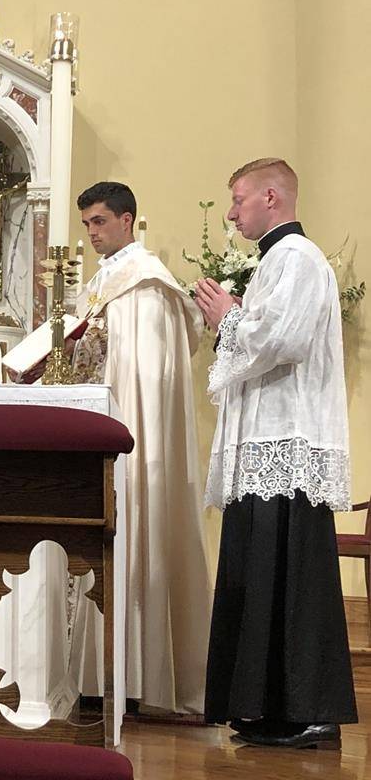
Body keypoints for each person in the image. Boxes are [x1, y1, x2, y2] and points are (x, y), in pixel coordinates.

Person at [195, 158, 355, 748]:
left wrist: (229, 316)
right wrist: (234, 317)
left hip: (288, 445)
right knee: (258, 575)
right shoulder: (273, 262)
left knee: (292, 578)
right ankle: (265, 706)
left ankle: (309, 710)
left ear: (271, 197)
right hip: (264, 444)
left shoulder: (299, 259)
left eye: (238, 200)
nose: (232, 212)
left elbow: (284, 340)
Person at [53, 182, 211, 714]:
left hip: (134, 440)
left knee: (135, 532)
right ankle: (97, 675)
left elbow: (145, 379)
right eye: (87, 224)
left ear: (127, 220)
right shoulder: (105, 283)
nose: (93, 234)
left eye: (100, 222)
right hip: (100, 428)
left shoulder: (145, 285)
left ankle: (134, 679)